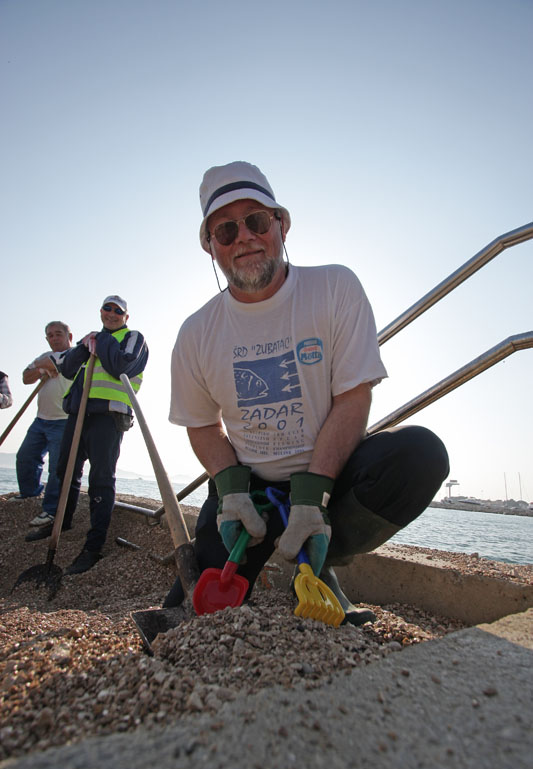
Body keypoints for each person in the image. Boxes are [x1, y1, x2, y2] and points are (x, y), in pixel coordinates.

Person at [165, 161, 449, 623]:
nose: (244, 238)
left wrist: (312, 499)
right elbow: (201, 423)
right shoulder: (196, 332)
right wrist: (232, 491)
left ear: (282, 224)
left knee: (420, 455)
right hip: (249, 492)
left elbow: (353, 397)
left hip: (329, 480)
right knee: (188, 614)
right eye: (225, 231)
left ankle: (318, 556)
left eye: (257, 221)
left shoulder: (335, 288)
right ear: (210, 246)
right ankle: (288, 559)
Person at [50, 295, 148, 574]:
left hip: (109, 416)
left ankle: (93, 546)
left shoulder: (133, 338)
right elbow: (68, 370)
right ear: (101, 311)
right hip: (79, 412)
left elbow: (121, 367)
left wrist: (102, 339)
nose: (112, 313)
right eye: (108, 308)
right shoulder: (88, 342)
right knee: (65, 470)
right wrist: (83, 347)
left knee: (101, 478)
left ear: (126, 317)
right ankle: (61, 522)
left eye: (119, 311)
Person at [13, 322, 73, 531]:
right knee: (26, 457)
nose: (54, 338)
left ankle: (51, 509)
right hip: (41, 419)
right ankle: (29, 493)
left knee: (57, 467)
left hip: (63, 420)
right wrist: (41, 368)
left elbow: (56, 366)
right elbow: (25, 378)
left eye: (58, 334)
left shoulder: (75, 357)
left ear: (69, 336)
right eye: (50, 335)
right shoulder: (44, 356)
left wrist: (46, 365)